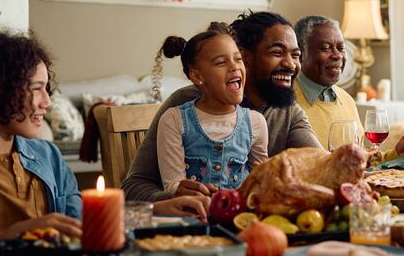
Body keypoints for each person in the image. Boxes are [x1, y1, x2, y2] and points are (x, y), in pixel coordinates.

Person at [122, 11, 323, 202]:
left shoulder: (288, 110)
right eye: (277, 52)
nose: (290, 64)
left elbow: (322, 167)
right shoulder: (184, 105)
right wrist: (174, 198)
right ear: (246, 57)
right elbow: (132, 187)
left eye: (295, 55)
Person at [0, 28, 82, 252]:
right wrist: (10, 239)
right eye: (37, 88)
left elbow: (81, 233)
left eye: (46, 88)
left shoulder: (49, 156)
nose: (47, 102)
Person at [156, 23, 268, 193]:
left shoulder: (256, 122)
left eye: (238, 59)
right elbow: (172, 187)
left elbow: (262, 182)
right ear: (197, 76)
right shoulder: (174, 120)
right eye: (221, 62)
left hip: (239, 216)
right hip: (192, 214)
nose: (235, 66)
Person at [292, 15, 404, 158]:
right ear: (300, 55)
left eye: (340, 48)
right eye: (326, 48)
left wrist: (396, 154)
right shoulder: (285, 104)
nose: (337, 55)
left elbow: (360, 161)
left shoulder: (346, 99)